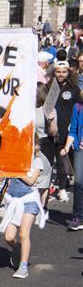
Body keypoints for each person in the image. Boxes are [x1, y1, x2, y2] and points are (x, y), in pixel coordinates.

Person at [0, 149, 46, 279]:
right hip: (13, 200)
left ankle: (23, 266)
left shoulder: (37, 161)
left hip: (29, 200)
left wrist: (17, 169)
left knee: (23, 234)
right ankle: (18, 248)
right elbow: (0, 177)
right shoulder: (12, 159)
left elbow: (31, 181)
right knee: (8, 237)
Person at [51, 61, 79, 202]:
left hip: (72, 132)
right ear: (54, 72)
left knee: (76, 162)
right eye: (58, 72)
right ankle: (61, 189)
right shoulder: (49, 88)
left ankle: (78, 188)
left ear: (68, 72)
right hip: (55, 131)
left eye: (64, 72)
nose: (61, 74)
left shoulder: (74, 89)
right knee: (60, 163)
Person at [61, 98, 83, 230]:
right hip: (80, 151)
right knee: (79, 184)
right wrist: (67, 146)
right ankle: (79, 218)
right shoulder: (78, 107)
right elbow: (73, 130)